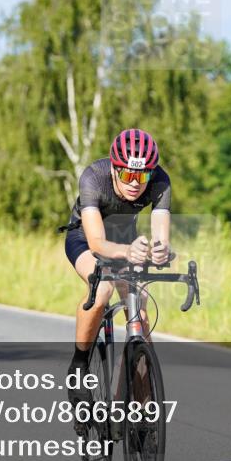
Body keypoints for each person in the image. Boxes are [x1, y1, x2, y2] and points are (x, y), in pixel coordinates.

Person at [61, 129, 171, 413]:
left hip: (124, 237)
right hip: (85, 238)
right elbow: (96, 241)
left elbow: (161, 234)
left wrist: (160, 250)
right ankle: (79, 365)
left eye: (142, 176)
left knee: (141, 313)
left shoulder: (160, 180)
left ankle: (142, 404)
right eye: (127, 176)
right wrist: (127, 252)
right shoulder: (94, 177)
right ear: (114, 169)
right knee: (102, 288)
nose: (135, 184)